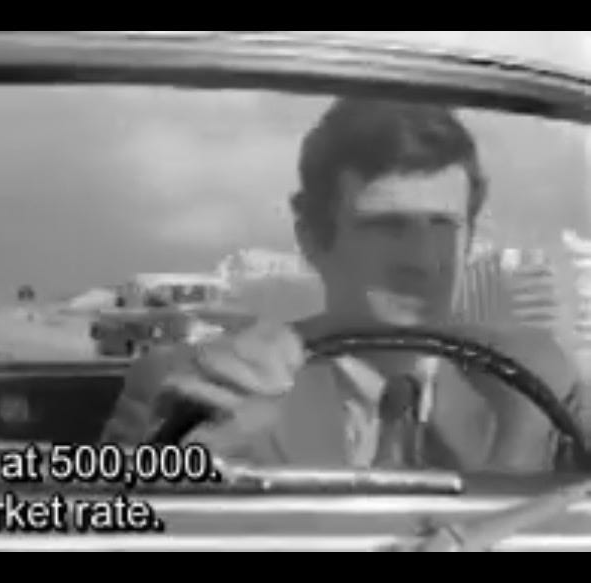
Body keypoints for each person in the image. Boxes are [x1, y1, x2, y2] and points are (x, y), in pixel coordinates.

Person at [101, 99, 584, 472]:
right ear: (313, 238)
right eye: (387, 227)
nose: (421, 261)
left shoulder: (531, 378)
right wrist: (199, 459)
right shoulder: (207, 383)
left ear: (471, 237)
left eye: (443, 226)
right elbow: (106, 524)